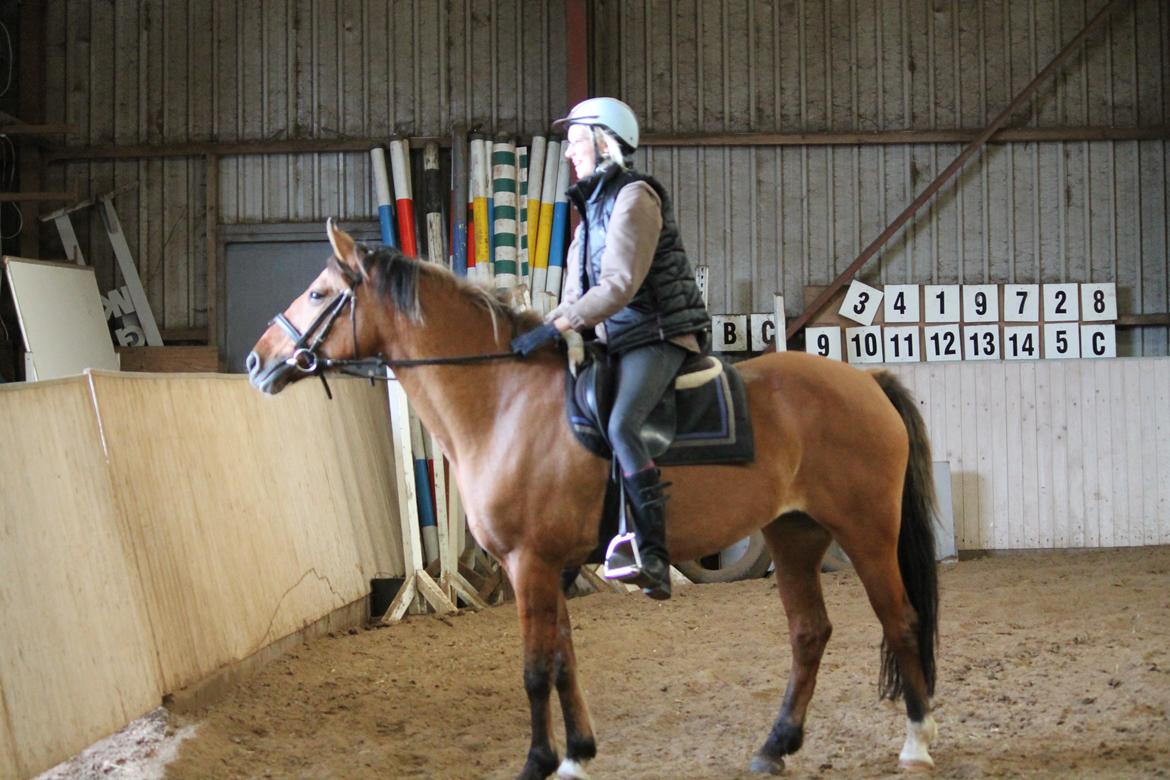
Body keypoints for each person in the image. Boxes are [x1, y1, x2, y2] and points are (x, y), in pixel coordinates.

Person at [527, 97, 710, 600]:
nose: (568, 154)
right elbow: (572, 298)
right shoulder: (587, 220)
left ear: (604, 141)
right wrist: (545, 332)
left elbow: (619, 285)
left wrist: (564, 322)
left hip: (658, 332)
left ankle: (651, 552)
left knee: (621, 423)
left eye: (575, 142)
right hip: (614, 339)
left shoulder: (635, 198)